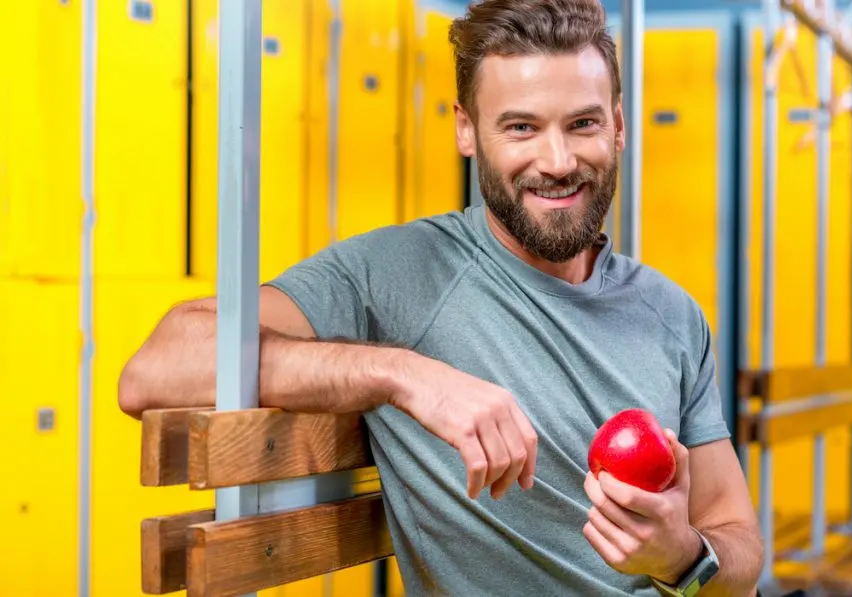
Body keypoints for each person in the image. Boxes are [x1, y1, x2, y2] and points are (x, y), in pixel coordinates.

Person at [118, 0, 764, 594]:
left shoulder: (672, 313)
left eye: (583, 123)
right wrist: (401, 374)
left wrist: (681, 555)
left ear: (618, 125)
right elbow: (152, 371)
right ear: (466, 129)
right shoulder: (402, 274)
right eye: (521, 127)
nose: (559, 158)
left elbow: (739, 544)